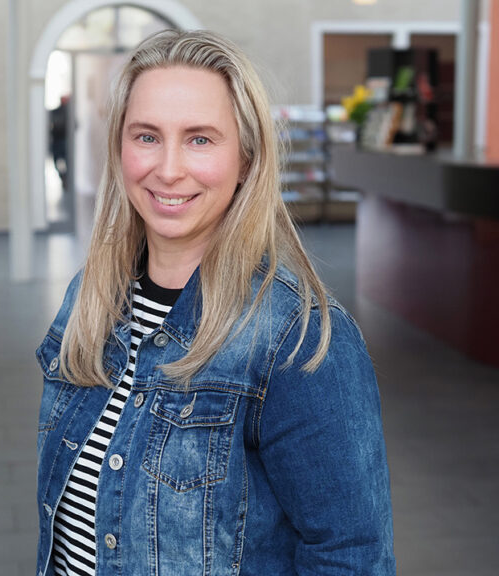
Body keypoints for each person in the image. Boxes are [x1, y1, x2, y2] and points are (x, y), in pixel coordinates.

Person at [35, 29, 395, 575]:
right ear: (119, 148)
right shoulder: (90, 297)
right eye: (147, 136)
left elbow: (351, 555)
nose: (168, 168)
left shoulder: (296, 339)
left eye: (200, 139)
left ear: (246, 159)